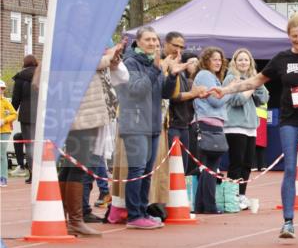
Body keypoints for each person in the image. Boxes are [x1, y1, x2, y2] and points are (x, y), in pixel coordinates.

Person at [225, 14, 298, 241]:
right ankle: (288, 221)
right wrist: (225, 90)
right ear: (289, 36)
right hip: (289, 120)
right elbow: (255, 81)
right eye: (294, 36)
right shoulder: (282, 58)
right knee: (290, 169)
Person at [58, 42, 129, 237]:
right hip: (82, 112)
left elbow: (119, 75)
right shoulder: (72, 44)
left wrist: (112, 58)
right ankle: (74, 220)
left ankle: (67, 218)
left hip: (87, 111)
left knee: (72, 165)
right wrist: (109, 55)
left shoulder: (80, 42)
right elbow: (87, 64)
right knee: (78, 165)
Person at [116, 27, 183, 229]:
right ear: (138, 41)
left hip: (153, 124)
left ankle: (143, 211)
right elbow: (136, 91)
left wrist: (171, 76)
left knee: (146, 171)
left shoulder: (156, 64)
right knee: (136, 170)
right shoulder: (130, 63)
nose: (153, 43)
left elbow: (164, 93)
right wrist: (156, 69)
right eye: (148, 40)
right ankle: (134, 215)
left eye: (155, 40)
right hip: (135, 124)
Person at [221, 48, 269, 210]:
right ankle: (233, 195)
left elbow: (263, 99)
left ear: (251, 63)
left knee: (247, 163)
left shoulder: (253, 78)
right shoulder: (230, 79)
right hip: (234, 126)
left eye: (246, 60)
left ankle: (242, 195)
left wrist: (257, 83)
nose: (243, 62)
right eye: (240, 59)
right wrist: (251, 88)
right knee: (237, 163)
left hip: (250, 126)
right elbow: (236, 100)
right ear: (234, 62)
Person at [192, 47, 229, 215]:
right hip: (208, 123)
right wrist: (229, 90)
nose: (218, 62)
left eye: (220, 59)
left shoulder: (210, 77)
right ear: (206, 60)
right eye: (214, 59)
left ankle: (201, 205)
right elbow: (216, 101)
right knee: (211, 167)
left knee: (208, 167)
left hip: (210, 123)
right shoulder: (206, 75)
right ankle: (209, 205)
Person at [168, 51, 208, 172]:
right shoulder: (175, 77)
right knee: (174, 166)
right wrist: (193, 94)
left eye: (197, 62)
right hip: (173, 125)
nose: (195, 65)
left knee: (187, 165)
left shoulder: (193, 80)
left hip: (188, 125)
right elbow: (172, 96)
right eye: (192, 62)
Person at [11, 53, 38, 182]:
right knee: (40, 144)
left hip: (27, 115)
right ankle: (42, 173)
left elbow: (16, 99)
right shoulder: (42, 75)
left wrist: (11, 114)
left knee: (29, 145)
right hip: (42, 114)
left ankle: (32, 174)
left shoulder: (20, 77)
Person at [0, 81, 18, 187]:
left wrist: (4, 120)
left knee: (2, 154)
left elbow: (14, 114)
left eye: (3, 88)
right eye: (0, 88)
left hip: (5, 131)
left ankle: (3, 178)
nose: (1, 90)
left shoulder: (6, 102)